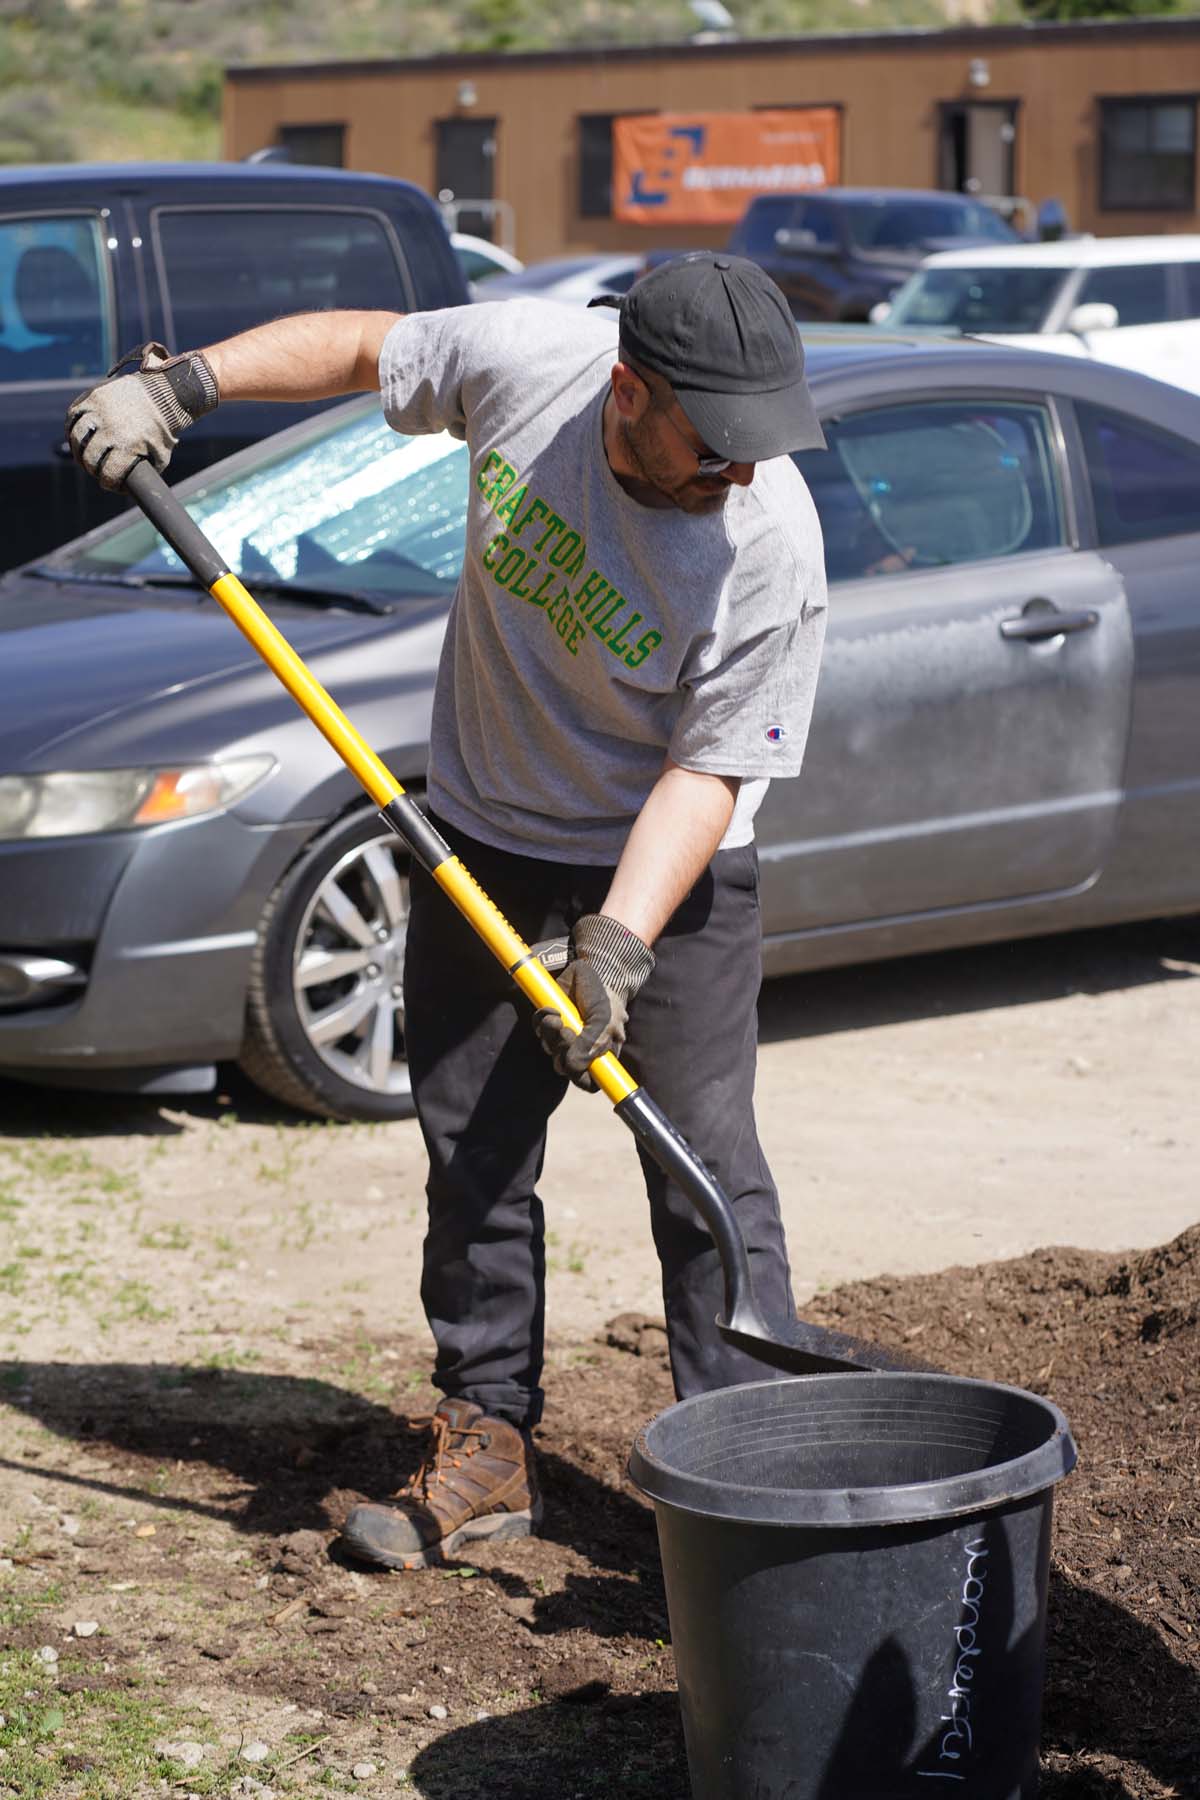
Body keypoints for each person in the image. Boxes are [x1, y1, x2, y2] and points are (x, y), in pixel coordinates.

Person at [66, 253, 829, 1571]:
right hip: (483, 838)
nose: (741, 473)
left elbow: (708, 769)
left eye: (761, 445)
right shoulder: (528, 360)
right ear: (628, 389)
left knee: (702, 1168)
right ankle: (485, 1440)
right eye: (715, 446)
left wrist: (618, 949)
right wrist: (186, 386)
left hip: (670, 874)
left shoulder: (768, 543)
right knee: (473, 1154)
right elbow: (367, 346)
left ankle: (739, 1475)